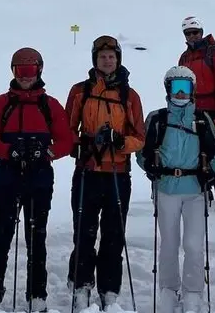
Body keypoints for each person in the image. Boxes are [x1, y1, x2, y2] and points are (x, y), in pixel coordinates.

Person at [0, 48, 75, 313]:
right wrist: (9, 151)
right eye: (20, 71)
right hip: (9, 174)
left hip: (40, 176)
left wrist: (46, 153)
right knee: (1, 234)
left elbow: (67, 140)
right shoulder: (2, 103)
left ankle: (37, 294)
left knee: (36, 236)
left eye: (30, 71)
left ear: (39, 71)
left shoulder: (49, 104)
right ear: (13, 72)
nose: (25, 77)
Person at [65, 35, 146, 312]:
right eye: (102, 57)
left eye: (111, 56)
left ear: (118, 59)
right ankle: (81, 286)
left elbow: (140, 137)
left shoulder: (129, 95)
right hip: (88, 171)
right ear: (95, 60)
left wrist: (121, 142)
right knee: (84, 233)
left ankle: (109, 288)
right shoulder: (80, 91)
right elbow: (67, 131)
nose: (107, 61)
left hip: (117, 172)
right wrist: (82, 144)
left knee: (113, 235)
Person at [137, 66, 215, 313]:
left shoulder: (201, 118)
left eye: (184, 88)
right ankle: (168, 287)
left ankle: (194, 290)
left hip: (195, 190)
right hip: (166, 188)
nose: (180, 93)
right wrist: (150, 168)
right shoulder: (157, 118)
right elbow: (142, 153)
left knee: (193, 243)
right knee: (169, 242)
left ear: (193, 89)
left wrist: (210, 172)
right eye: (175, 87)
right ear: (167, 89)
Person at [176, 17, 215, 210]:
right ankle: (205, 193)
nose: (192, 36)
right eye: (188, 33)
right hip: (191, 110)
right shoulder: (184, 57)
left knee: (212, 152)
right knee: (194, 152)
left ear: (201, 32)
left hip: (211, 110)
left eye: (195, 32)